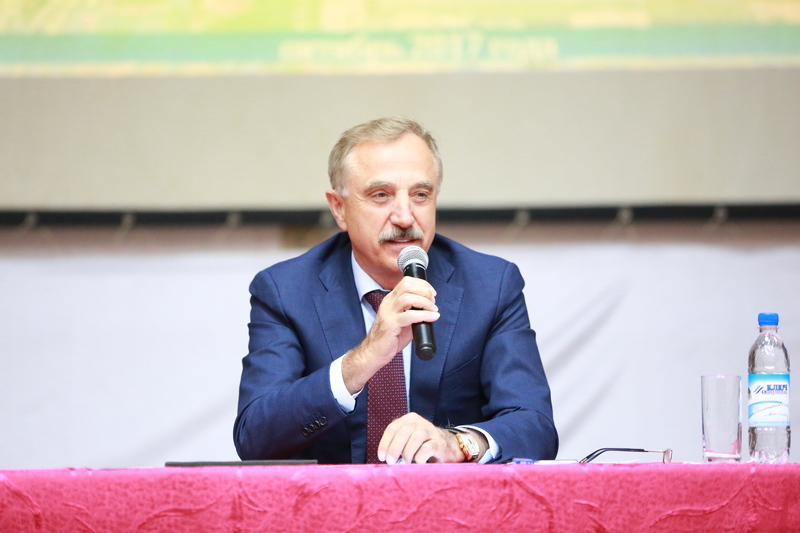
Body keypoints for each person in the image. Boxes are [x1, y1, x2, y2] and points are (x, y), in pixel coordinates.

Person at [234, 117, 557, 464]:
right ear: (339, 209)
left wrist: (458, 443)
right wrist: (363, 358)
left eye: (420, 195)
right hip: (334, 497)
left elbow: (534, 426)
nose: (404, 217)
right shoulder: (286, 291)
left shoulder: (491, 285)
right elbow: (255, 438)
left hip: (449, 496)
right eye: (381, 195)